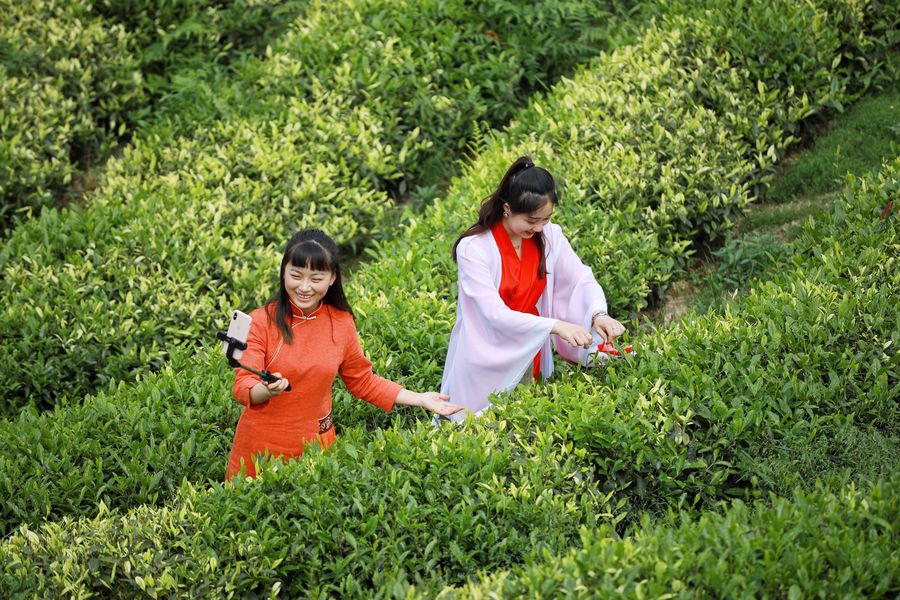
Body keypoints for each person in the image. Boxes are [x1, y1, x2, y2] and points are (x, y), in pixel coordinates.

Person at [226, 229, 463, 480]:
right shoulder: (261, 321)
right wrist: (266, 390)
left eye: (316, 278)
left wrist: (420, 399)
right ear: (283, 272)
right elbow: (243, 386)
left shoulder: (340, 322)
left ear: (332, 278)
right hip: (259, 449)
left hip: (315, 448)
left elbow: (363, 381)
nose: (304, 287)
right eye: (296, 275)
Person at [441, 156, 626, 420]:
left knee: (528, 419)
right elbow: (493, 314)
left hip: (530, 344)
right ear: (507, 209)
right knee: (476, 424)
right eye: (531, 220)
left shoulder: (548, 235)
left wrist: (598, 314)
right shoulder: (474, 248)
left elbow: (578, 278)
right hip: (486, 355)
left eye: (545, 219)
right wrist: (555, 326)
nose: (539, 227)